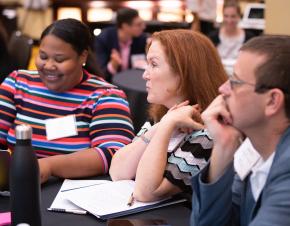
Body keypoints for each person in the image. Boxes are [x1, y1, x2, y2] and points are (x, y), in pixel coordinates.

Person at [0, 18, 134, 182]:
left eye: (59, 59)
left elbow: (115, 153)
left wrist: (48, 166)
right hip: (18, 185)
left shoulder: (105, 95)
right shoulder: (18, 83)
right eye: (43, 56)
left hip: (73, 195)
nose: (49, 65)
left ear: (82, 56)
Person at [109, 29, 227, 202]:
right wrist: (163, 124)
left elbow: (146, 192)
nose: (145, 74)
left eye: (154, 64)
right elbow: (118, 171)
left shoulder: (209, 132)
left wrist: (166, 125)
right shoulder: (163, 113)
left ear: (185, 72)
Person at [191, 35, 290, 226]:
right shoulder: (253, 149)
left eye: (234, 82)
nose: (222, 88)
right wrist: (223, 147)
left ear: (272, 101)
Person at [94, 7, 148, 82]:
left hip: (134, 82)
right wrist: (113, 65)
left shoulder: (141, 39)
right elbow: (99, 72)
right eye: (138, 25)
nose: (143, 27)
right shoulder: (104, 38)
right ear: (125, 26)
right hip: (110, 83)